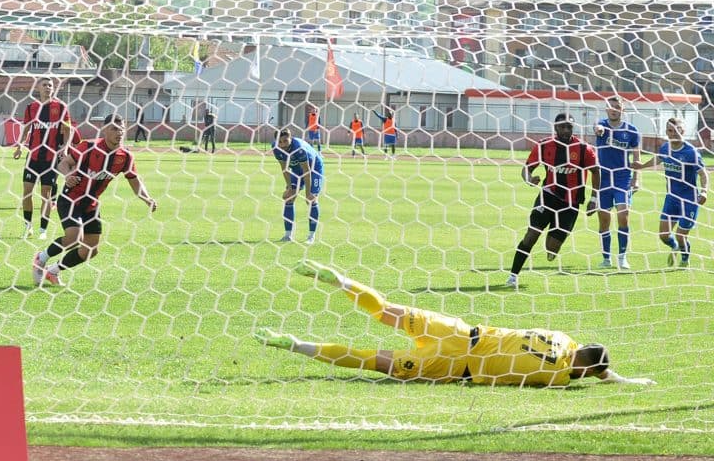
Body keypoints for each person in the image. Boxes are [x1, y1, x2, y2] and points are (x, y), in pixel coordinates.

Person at [255, 260, 656, 387]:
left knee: (387, 311)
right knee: (371, 360)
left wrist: (599, 365)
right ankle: (293, 344)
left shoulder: (562, 337)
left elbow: (590, 359)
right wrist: (629, 381)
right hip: (454, 367)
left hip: (460, 331)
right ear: (584, 367)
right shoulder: (560, 377)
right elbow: (596, 371)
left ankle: (341, 280)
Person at [32, 113, 157, 286]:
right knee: (75, 237)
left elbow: (135, 181)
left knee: (90, 249)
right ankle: (40, 258)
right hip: (70, 198)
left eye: (122, 129)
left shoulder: (125, 156)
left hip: (91, 203)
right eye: (114, 129)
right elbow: (63, 163)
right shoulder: (89, 147)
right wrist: (68, 175)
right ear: (105, 130)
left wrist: (147, 198)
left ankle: (53, 271)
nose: (119, 133)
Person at [506, 113, 600, 288]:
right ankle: (512, 276)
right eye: (562, 126)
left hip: (571, 202)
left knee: (551, 251)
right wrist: (529, 178)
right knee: (531, 235)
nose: (566, 130)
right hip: (547, 196)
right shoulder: (544, 145)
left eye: (569, 127)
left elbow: (596, 171)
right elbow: (527, 169)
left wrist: (594, 198)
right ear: (555, 127)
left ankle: (552, 236)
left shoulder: (583, 148)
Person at [632, 118, 709, 268]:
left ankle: (685, 258)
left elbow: (703, 174)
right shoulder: (665, 148)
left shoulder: (690, 152)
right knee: (663, 235)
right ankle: (674, 246)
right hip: (671, 199)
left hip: (689, 201)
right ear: (666, 132)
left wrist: (704, 191)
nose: (674, 133)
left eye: (677, 130)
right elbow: (658, 159)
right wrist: (642, 166)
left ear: (683, 131)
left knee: (681, 235)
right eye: (670, 130)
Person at [13, 77, 73, 240]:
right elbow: (25, 130)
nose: (48, 87)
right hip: (33, 157)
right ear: (38, 88)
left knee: (46, 194)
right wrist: (20, 145)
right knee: (27, 193)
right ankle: (27, 226)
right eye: (44, 85)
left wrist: (65, 146)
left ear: (53, 89)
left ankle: (43, 230)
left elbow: (68, 130)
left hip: (51, 158)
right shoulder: (31, 108)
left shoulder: (61, 107)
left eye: (50, 85)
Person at [593, 96, 641, 270]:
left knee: (623, 216)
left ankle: (622, 257)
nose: (613, 109)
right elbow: (596, 128)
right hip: (603, 179)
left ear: (623, 110)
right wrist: (597, 129)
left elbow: (636, 157)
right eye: (610, 107)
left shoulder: (632, 131)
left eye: (617, 107)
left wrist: (636, 178)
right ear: (606, 109)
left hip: (622, 178)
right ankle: (606, 258)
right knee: (604, 220)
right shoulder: (602, 126)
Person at [272, 127, 323, 244]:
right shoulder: (276, 149)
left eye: (285, 141)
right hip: (296, 170)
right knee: (289, 198)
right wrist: (290, 188)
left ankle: (311, 237)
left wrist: (308, 192)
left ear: (291, 138)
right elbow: (284, 168)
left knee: (310, 200)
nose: (283, 144)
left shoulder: (299, 148)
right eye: (280, 142)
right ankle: (288, 236)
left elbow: (307, 171)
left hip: (314, 169)